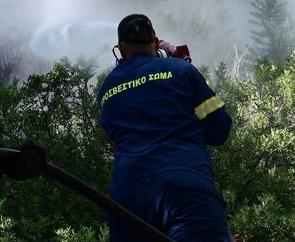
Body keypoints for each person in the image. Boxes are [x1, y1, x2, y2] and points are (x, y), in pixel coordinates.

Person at [98, 14, 233, 242]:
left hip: (128, 197)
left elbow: (114, 132)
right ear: (157, 42)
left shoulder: (107, 89)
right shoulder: (182, 70)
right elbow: (219, 129)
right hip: (185, 188)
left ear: (120, 49)